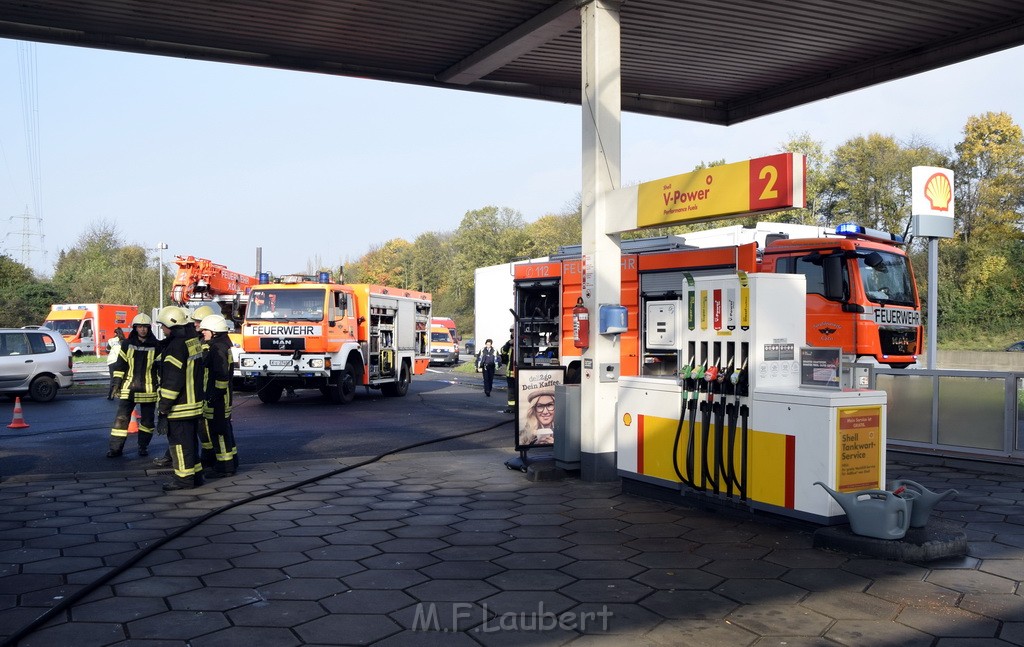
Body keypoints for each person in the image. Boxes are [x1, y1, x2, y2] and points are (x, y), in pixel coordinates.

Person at [155, 305, 206, 491]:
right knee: (191, 443)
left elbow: (172, 381)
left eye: (163, 326)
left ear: (171, 323)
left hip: (180, 406)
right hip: (194, 404)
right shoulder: (192, 340)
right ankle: (196, 476)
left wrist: (163, 408)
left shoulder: (176, 347)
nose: (162, 329)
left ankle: (183, 480)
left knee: (179, 445)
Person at [106, 314, 159, 457]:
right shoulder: (127, 344)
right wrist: (116, 384)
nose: (142, 330)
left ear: (149, 328)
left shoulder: (156, 346)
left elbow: (161, 369)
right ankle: (115, 449)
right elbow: (120, 366)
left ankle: (143, 447)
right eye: (140, 327)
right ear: (135, 328)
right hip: (129, 389)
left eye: (145, 327)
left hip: (149, 390)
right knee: (121, 420)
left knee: (147, 423)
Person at [199, 314, 238, 477]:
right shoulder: (221, 345)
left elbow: (221, 375)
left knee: (219, 431)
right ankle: (231, 461)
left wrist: (215, 395)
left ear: (214, 331)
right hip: (220, 396)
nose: (203, 333)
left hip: (218, 398)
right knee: (223, 429)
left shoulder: (217, 348)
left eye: (205, 330)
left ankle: (224, 467)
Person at [500, 329, 516, 413]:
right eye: (511, 331)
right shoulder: (509, 343)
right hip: (510, 373)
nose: (512, 333)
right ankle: (512, 408)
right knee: (511, 391)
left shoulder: (522, 342)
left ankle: (518, 407)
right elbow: (502, 351)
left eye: (513, 331)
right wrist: (508, 343)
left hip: (520, 373)